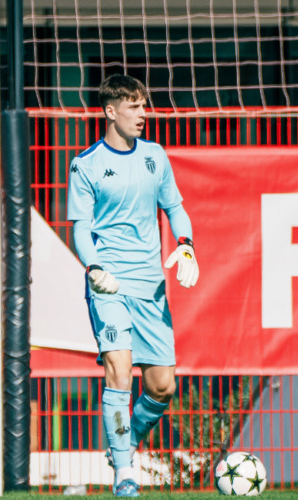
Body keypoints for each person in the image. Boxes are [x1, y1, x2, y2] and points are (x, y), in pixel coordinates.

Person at [67, 74, 199, 497]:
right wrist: (94, 267)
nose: (144, 114)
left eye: (145, 106)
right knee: (119, 369)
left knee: (162, 386)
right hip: (110, 286)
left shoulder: (155, 156)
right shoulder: (85, 164)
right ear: (111, 111)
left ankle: (125, 442)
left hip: (151, 286)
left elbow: (176, 209)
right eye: (135, 107)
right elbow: (81, 229)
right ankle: (124, 472)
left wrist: (187, 246)